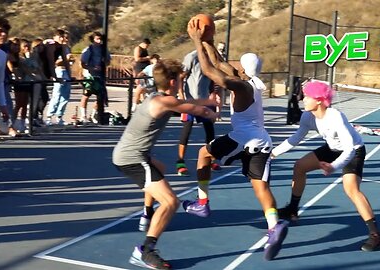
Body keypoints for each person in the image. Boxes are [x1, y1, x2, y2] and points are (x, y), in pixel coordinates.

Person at [182, 21, 288, 261]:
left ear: (244, 69)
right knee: (261, 188)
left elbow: (210, 72)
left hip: (245, 138)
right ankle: (274, 227)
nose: (235, 64)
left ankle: (202, 203)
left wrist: (197, 42)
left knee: (203, 154)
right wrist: (208, 42)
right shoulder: (251, 82)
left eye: (239, 63)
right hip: (262, 141)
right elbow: (219, 63)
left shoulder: (241, 86)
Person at [112, 58, 218, 269]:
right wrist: (214, 111)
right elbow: (199, 112)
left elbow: (188, 103)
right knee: (171, 202)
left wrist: (208, 101)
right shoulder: (163, 102)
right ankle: (145, 251)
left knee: (160, 169)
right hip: (132, 159)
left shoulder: (157, 97)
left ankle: (147, 213)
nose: (182, 82)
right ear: (172, 82)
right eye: (180, 79)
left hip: (133, 155)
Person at [271, 80, 380, 252]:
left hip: (353, 150)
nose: (303, 99)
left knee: (351, 189)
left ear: (319, 100)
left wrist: (333, 166)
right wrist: (273, 153)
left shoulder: (335, 116)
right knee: (299, 166)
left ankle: (377, 235)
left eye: (307, 96)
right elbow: (296, 138)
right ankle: (292, 210)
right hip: (332, 148)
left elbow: (348, 149)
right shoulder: (307, 116)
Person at [176, 49, 221, 176]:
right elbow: (180, 77)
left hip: (205, 100)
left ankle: (210, 159)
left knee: (210, 131)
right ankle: (180, 162)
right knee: (187, 130)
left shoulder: (212, 56)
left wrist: (213, 94)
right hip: (190, 101)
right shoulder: (191, 57)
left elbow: (212, 79)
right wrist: (181, 96)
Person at [79, 31, 111, 123]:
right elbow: (83, 63)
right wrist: (92, 67)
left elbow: (108, 61)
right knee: (86, 94)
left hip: (100, 75)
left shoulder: (104, 50)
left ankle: (93, 115)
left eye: (100, 39)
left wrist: (104, 63)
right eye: (97, 39)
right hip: (90, 75)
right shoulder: (89, 49)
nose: (99, 41)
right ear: (93, 39)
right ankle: (83, 115)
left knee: (101, 96)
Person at [44, 29, 72, 126]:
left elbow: (67, 63)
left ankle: (59, 116)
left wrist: (70, 74)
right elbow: (54, 62)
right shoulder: (52, 46)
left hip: (65, 72)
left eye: (65, 37)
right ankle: (49, 116)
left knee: (65, 96)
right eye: (62, 37)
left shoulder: (66, 47)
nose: (64, 39)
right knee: (57, 94)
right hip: (58, 70)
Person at [0, 17, 11, 138]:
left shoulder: (2, 55)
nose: (3, 34)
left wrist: (3, 105)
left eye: (5, 32)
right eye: (0, 31)